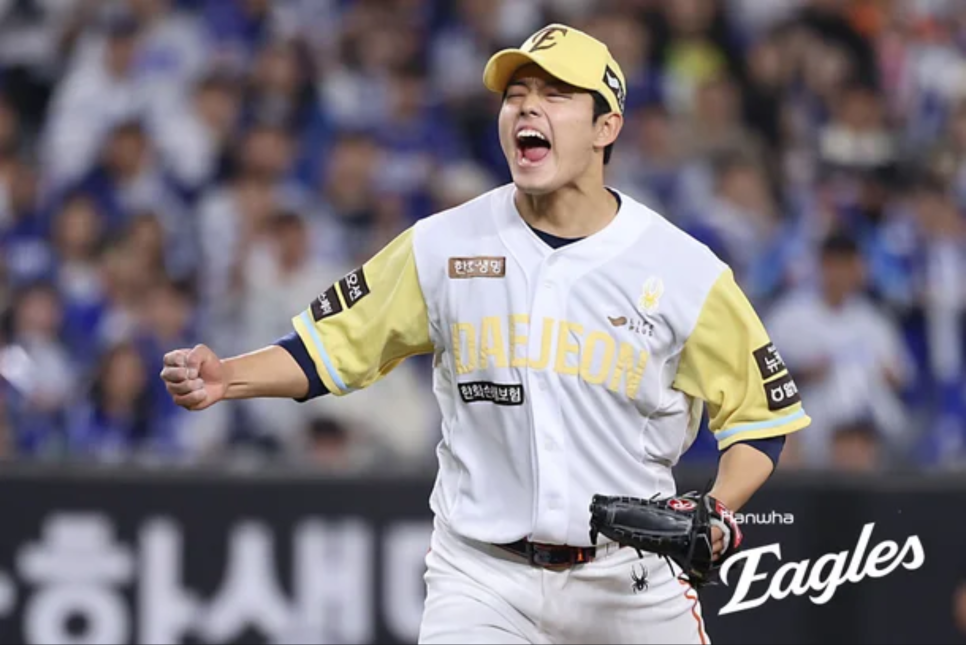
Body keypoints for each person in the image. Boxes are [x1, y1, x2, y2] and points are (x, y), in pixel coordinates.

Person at [160, 24, 811, 644]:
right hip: (481, 575)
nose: (528, 106)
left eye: (556, 94)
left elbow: (760, 419)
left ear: (606, 126)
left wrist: (719, 505)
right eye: (516, 93)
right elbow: (326, 349)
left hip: (629, 579)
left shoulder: (684, 269)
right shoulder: (443, 244)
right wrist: (227, 377)